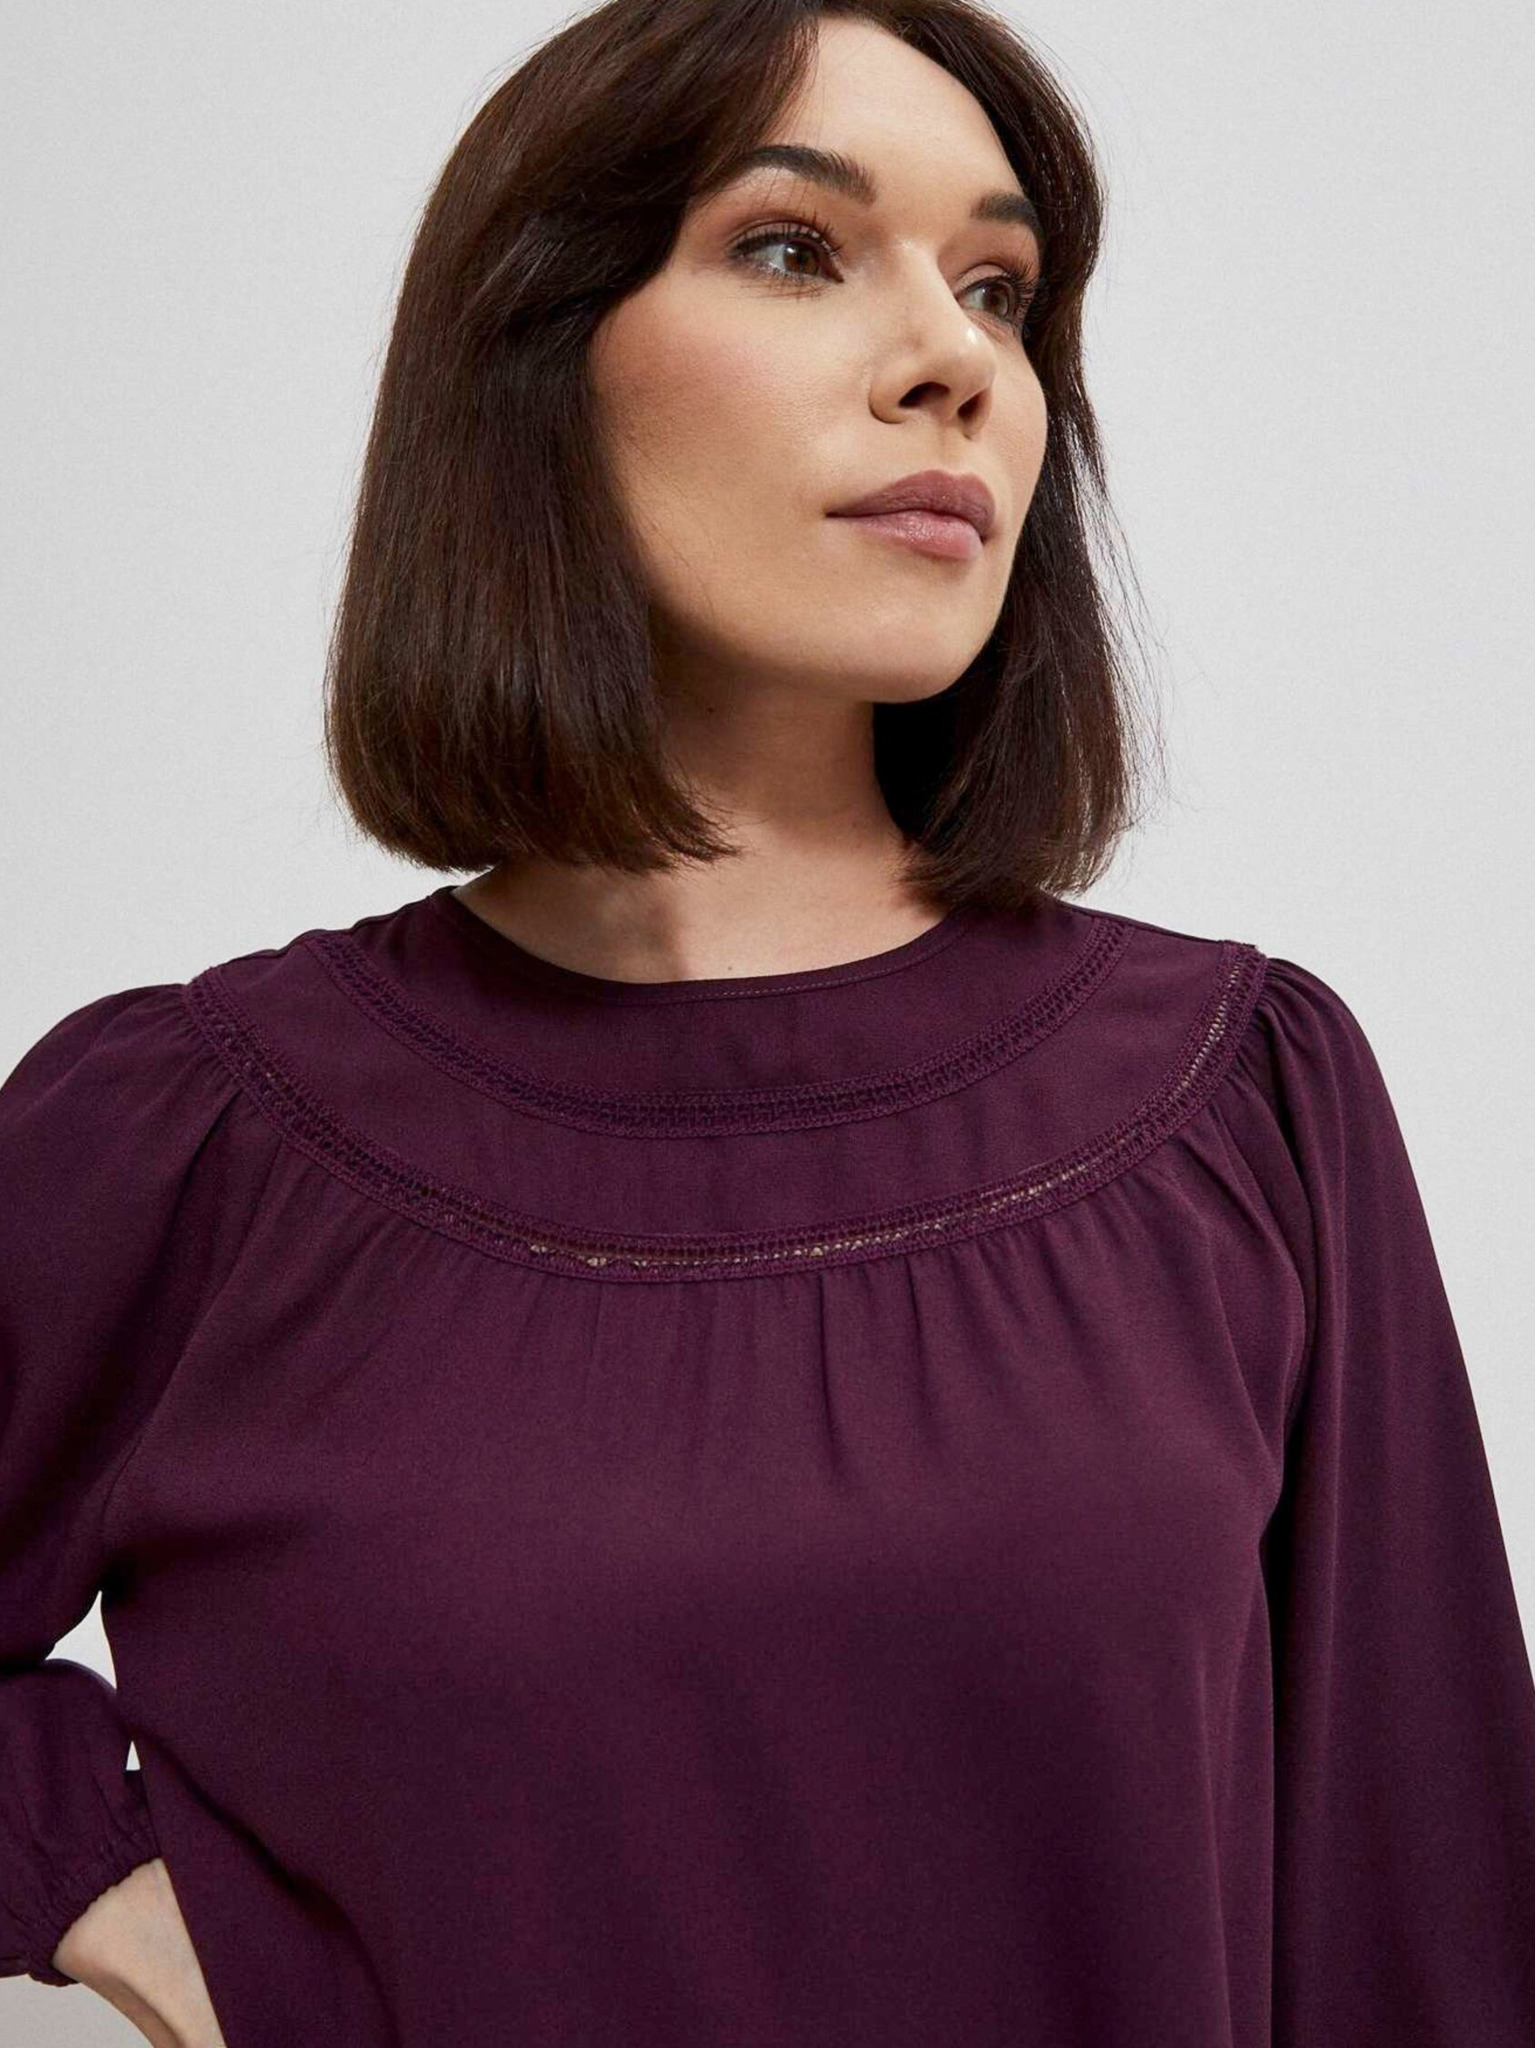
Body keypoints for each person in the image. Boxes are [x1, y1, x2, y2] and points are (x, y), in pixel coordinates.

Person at [3, 2, 1530, 2043]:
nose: (954, 359)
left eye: (1000, 289)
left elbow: (1428, 1919)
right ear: (534, 359)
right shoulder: (190, 1141)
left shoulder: (1243, 1101)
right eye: (797, 249)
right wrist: (105, 1893)